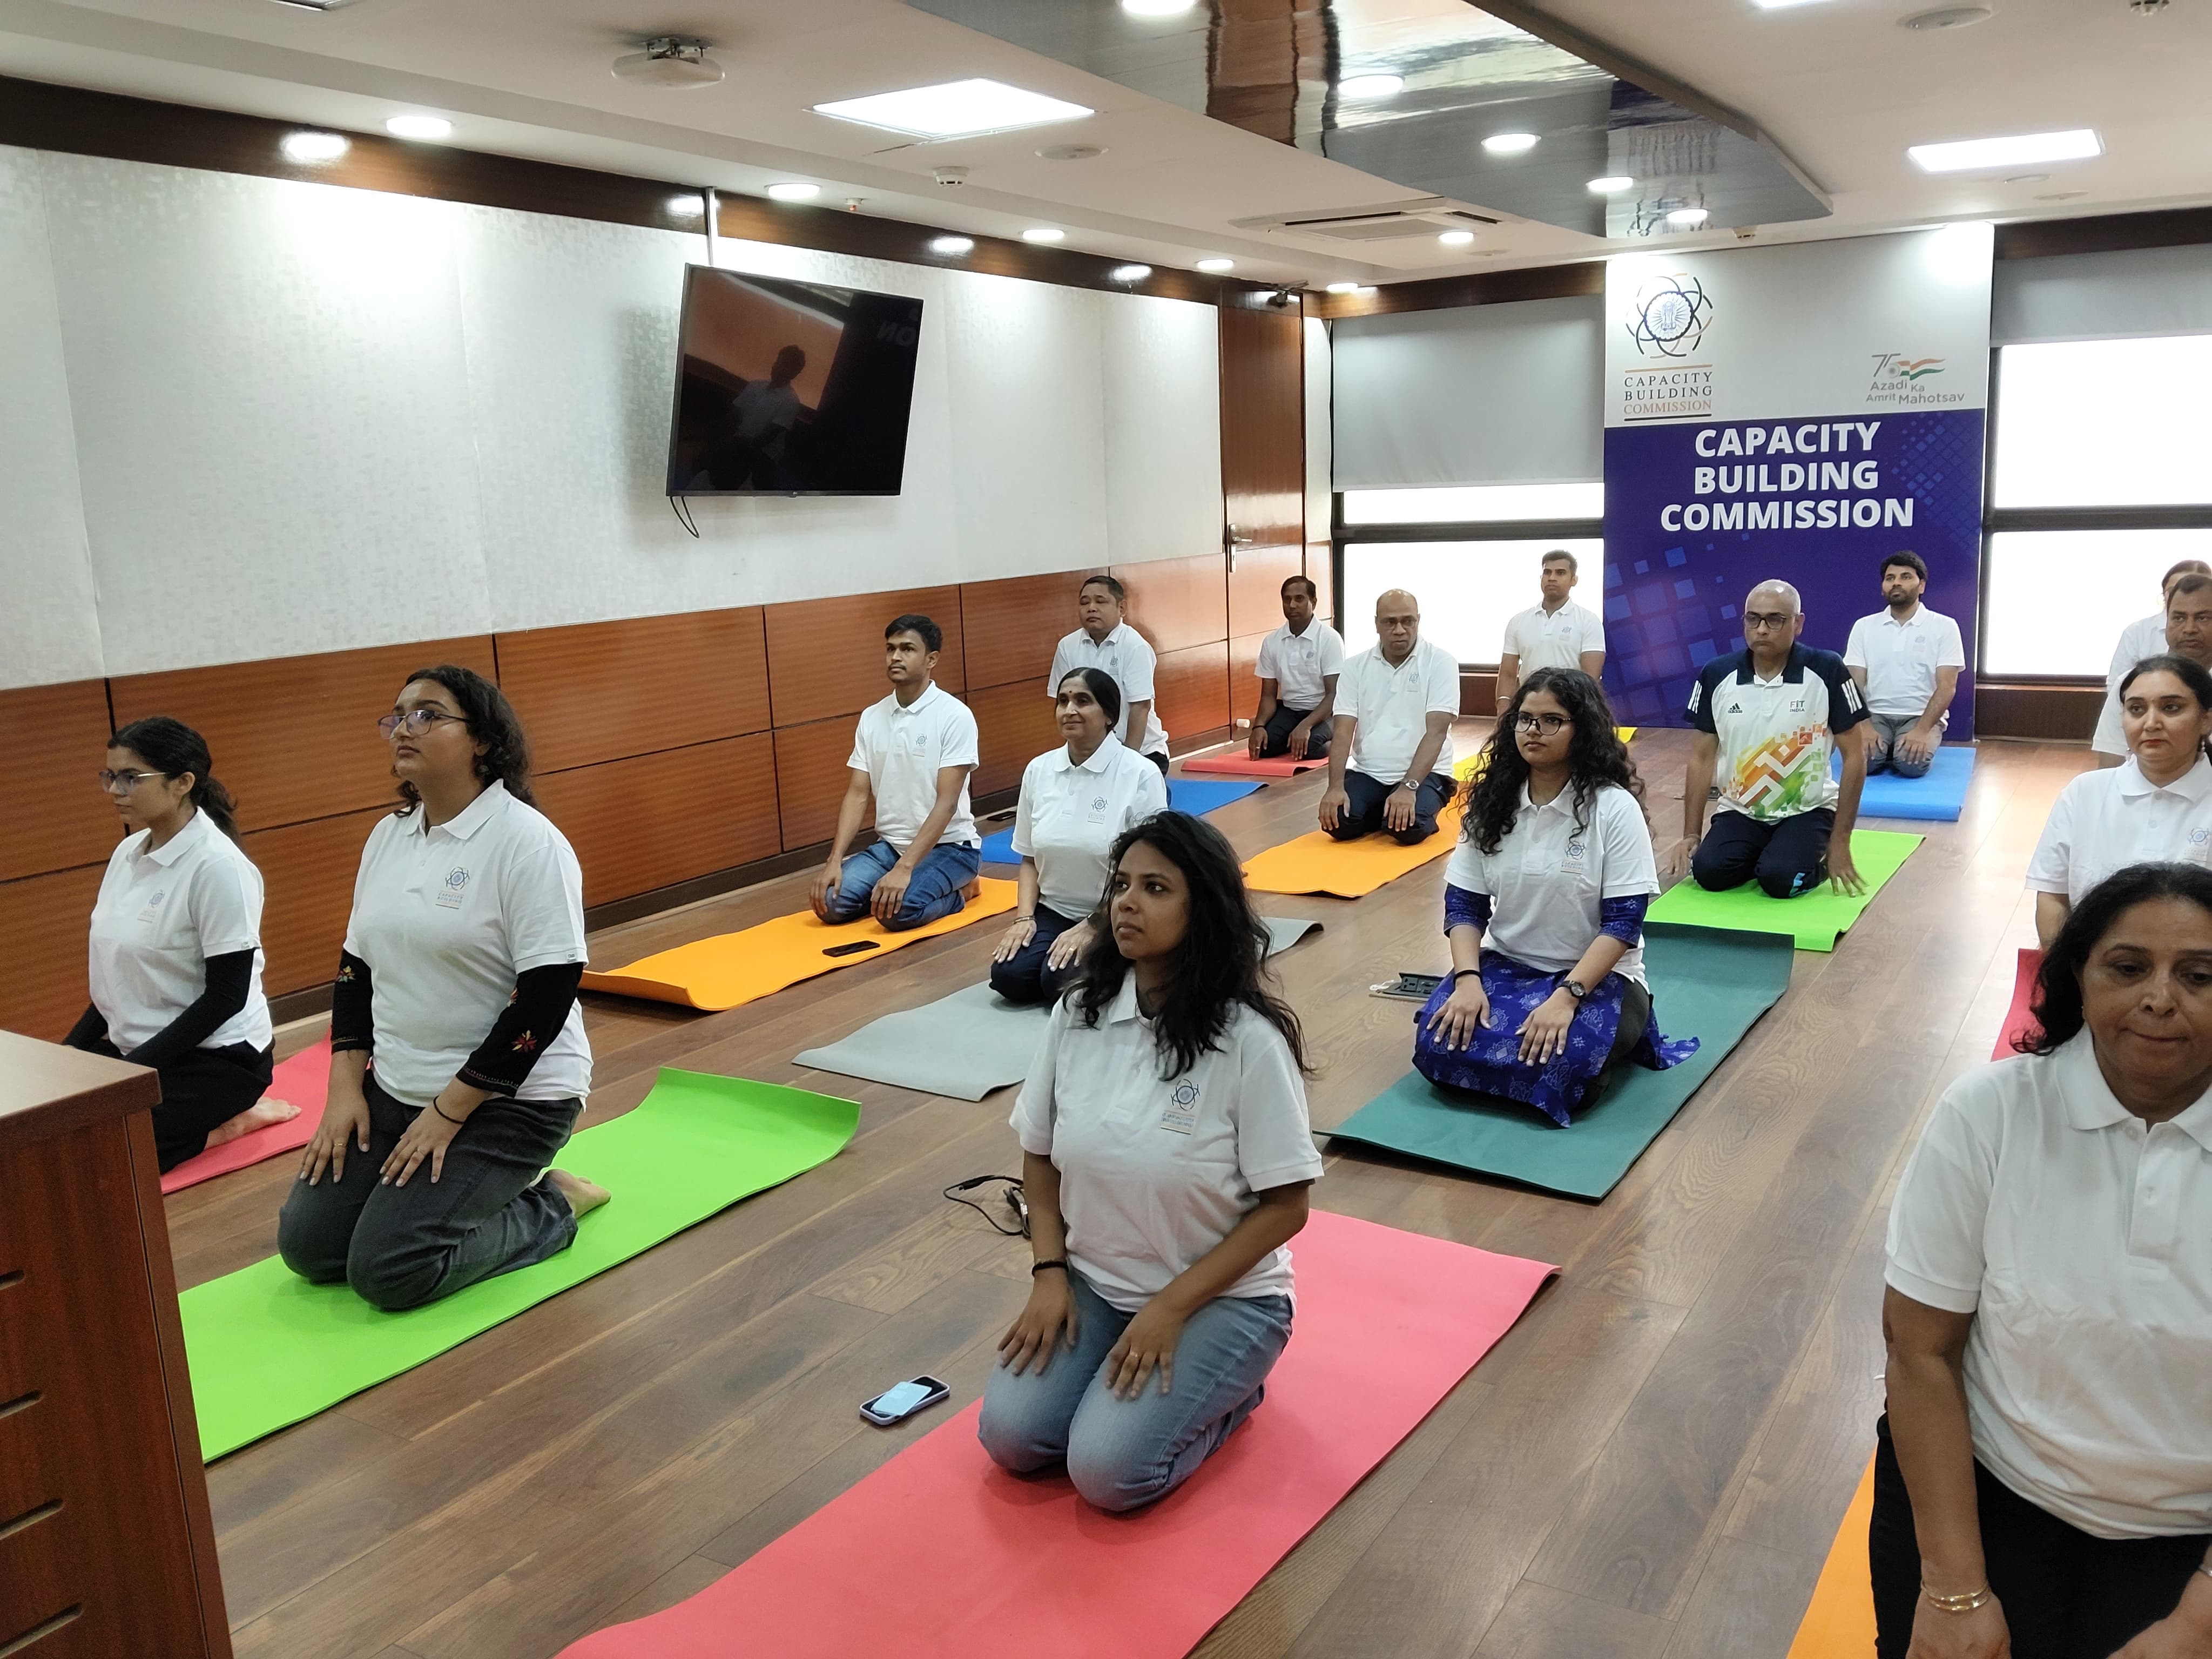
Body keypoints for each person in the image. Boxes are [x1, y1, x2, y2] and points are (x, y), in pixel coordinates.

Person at [1875, 862, 2212, 1659]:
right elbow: (1920, 1351)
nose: (2160, 998)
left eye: (2200, 976)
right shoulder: (1989, 1113)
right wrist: (1954, 1591)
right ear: (2078, 980)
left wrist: (2198, 1626)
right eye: (2127, 968)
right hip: (1989, 1493)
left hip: (2190, 1539)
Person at [977, 812, 1321, 1513]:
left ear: (1203, 911)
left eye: (1156, 888)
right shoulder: (1078, 1013)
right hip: (1098, 1286)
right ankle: (1130, 1387)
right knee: (1011, 1438)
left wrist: (1170, 1307)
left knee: (1107, 1473)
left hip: (1222, 1300)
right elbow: (1038, 1156)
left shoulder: (1249, 1041)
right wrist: (1050, 1273)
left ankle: (1233, 1395)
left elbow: (1287, 1207)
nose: (1127, 903)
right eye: (1122, 885)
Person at [278, 666, 606, 1313]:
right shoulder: (388, 836)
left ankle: (553, 1203)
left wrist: (449, 1113)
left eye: (428, 714)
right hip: (398, 1089)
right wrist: (344, 1091)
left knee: (389, 1271)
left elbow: (546, 999)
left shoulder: (527, 843)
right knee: (310, 1250)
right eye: (398, 715)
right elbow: (355, 969)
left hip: (510, 1101)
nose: (405, 727)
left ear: (482, 738)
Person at [1412, 670, 1695, 1125]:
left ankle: (1609, 1046)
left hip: (1598, 979)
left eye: (1551, 721)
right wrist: (1467, 980)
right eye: (1525, 719)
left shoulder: (1613, 808)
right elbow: (1464, 905)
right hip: (1506, 966)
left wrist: (1567, 997)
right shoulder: (1491, 803)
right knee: (1438, 1044)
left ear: (1582, 730)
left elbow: (1623, 923)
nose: (1533, 731)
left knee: (1562, 1065)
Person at [63, 716, 295, 1172]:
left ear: (183, 783)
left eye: (131, 777)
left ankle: (230, 1125)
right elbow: (118, 977)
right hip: (139, 1049)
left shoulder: (218, 867)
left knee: (105, 1152)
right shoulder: (127, 853)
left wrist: (130, 1075)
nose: (115, 790)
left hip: (218, 1059)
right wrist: (70, 1051)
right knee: (47, 1125)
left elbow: (225, 997)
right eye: (110, 776)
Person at [1681, 578, 1870, 899]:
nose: (1762, 629)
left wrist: (1841, 841)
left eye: (1775, 620)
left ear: (1798, 623)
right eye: (1753, 619)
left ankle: (1811, 861)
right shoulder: (1716, 674)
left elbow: (1854, 757)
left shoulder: (1827, 669)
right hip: (1740, 810)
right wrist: (1690, 834)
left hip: (1808, 810)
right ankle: (1766, 855)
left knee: (1780, 881)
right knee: (1708, 873)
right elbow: (1701, 759)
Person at [990, 667, 1169, 1005]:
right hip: (1053, 909)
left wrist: (1094, 924)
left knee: (1059, 983)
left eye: (1083, 701)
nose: (1069, 710)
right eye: (1063, 701)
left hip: (1117, 913)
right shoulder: (1039, 770)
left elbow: (1148, 870)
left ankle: (1133, 959)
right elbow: (1029, 859)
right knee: (1009, 978)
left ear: (1109, 715)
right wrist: (1024, 918)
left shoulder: (1140, 774)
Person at [2026, 654, 2212, 951]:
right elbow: (2052, 897)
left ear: (2206, 719)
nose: (2151, 723)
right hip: (2095, 967)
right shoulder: (2085, 793)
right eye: (2137, 709)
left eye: (2171, 708)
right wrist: (2066, 965)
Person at [810, 615, 982, 930]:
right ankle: (889, 891)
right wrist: (835, 861)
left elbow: (947, 803)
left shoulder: (954, 716)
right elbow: (857, 794)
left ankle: (963, 891)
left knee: (897, 912)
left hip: (951, 848)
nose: (896, 657)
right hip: (890, 847)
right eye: (891, 649)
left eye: (907, 649)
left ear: (931, 659)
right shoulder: (872, 717)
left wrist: (905, 869)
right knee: (829, 903)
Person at [1319, 588, 1461, 845]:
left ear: (1418, 621)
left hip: (1428, 775)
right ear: (1377, 624)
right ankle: (1385, 810)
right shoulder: (1354, 667)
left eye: (1408, 621)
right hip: (1370, 773)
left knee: (1409, 828)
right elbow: (1342, 731)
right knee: (1338, 822)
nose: (1399, 630)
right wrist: (1335, 787)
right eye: (1390, 622)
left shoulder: (1441, 662)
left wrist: (1409, 787)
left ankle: (1404, 809)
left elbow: (1437, 733)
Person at [1843, 551, 1966, 778]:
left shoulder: (1945, 627)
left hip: (1920, 716)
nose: (1896, 583)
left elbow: (1947, 687)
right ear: (1883, 587)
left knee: (1911, 765)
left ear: (1922, 586)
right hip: (1874, 715)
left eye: (1906, 577)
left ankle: (1897, 748)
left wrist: (1922, 731)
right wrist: (1864, 727)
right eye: (1890, 578)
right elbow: (1854, 684)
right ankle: (1888, 747)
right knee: (1865, 763)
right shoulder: (1864, 627)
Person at [2090, 559, 2212, 767]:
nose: (2189, 629)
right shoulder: (2131, 684)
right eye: (2179, 618)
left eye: (2203, 618)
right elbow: (2110, 761)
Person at [1048, 575, 1170, 773]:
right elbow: (1061, 704)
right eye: (1084, 602)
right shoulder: (1067, 646)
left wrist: (1126, 764)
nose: (1091, 608)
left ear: (1122, 608)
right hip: (1089, 753)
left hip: (1142, 752)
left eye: (1101, 601)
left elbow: (1141, 708)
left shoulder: (1134, 646)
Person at [1494, 549, 1606, 711]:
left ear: (1574, 580)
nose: (1552, 578)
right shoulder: (1518, 621)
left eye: (1560, 573)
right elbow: (1507, 674)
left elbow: (1590, 678)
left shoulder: (1588, 621)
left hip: (1570, 709)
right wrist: (1503, 709)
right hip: (1528, 708)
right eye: (1547, 572)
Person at [1248, 575, 1344, 761]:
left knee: (1312, 748)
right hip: (1290, 710)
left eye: (1299, 599)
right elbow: (1268, 696)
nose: (1292, 605)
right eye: (1287, 600)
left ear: (1313, 602)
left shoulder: (1329, 639)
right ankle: (1294, 739)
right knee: (1264, 747)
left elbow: (1334, 694)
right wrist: (1258, 726)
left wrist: (1306, 726)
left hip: (1326, 712)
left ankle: (1340, 738)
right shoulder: (1272, 641)